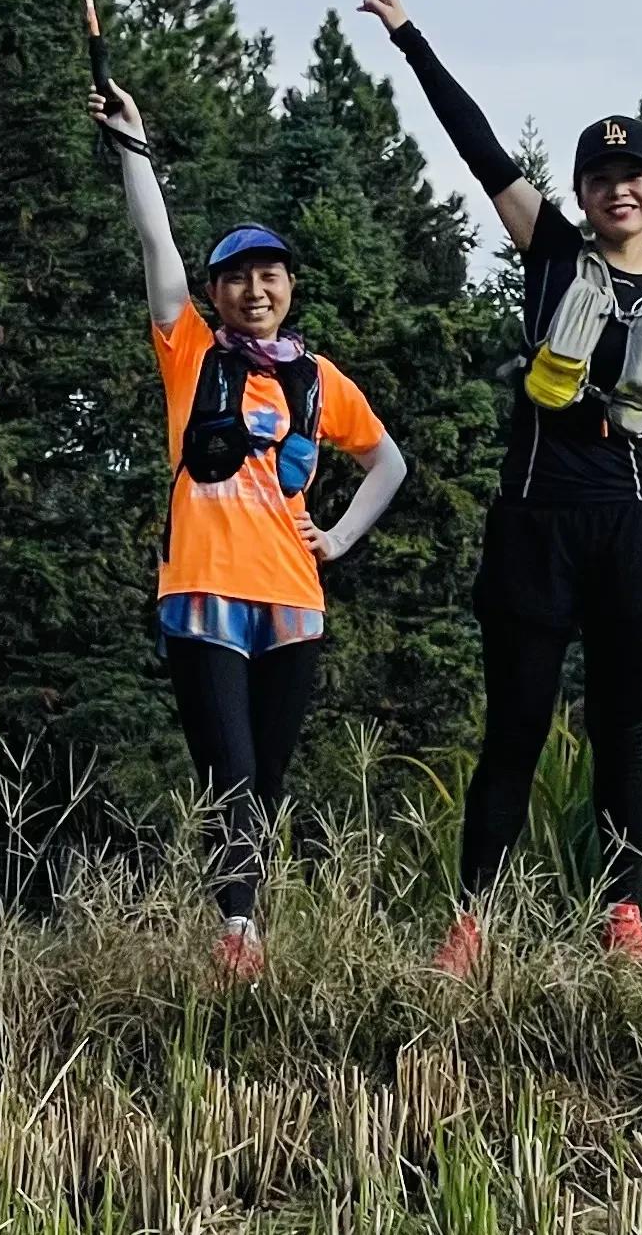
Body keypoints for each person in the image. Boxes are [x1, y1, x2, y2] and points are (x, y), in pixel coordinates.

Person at [363, 0, 642, 977]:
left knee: (619, 731)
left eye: (636, 177)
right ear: (580, 192)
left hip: (628, 536)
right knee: (516, 727)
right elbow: (476, 145)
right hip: (534, 522)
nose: (619, 190)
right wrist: (407, 35)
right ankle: (470, 927)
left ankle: (626, 924)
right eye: (601, 178)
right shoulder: (553, 254)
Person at [88, 82, 412, 983]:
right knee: (228, 767)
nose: (254, 288)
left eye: (269, 274)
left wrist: (339, 539)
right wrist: (134, 146)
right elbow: (157, 244)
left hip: (292, 602)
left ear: (289, 286)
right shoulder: (188, 347)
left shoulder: (318, 379)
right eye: (237, 276)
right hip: (200, 592)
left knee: (263, 781)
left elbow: (389, 463)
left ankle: (238, 924)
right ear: (218, 292)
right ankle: (238, 934)